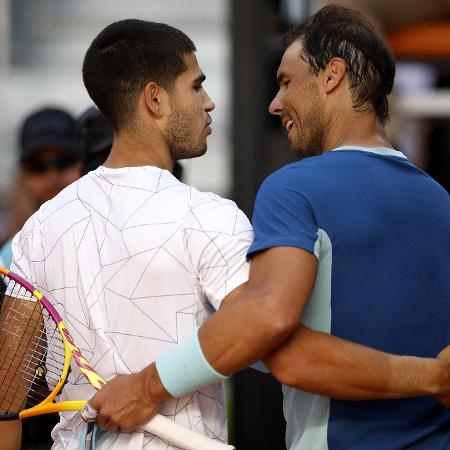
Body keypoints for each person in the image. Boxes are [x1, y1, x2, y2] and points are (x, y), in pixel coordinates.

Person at [2, 12, 449, 450]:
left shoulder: (35, 230)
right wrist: (429, 375)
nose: (210, 101)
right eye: (196, 85)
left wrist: (147, 384)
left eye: (286, 81)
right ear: (155, 100)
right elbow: (270, 340)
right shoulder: (213, 216)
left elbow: (6, 397)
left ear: (333, 76)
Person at [0, 107, 81, 269]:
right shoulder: (11, 259)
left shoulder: (115, 236)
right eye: (38, 166)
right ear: (23, 176)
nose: (52, 176)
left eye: (64, 162)